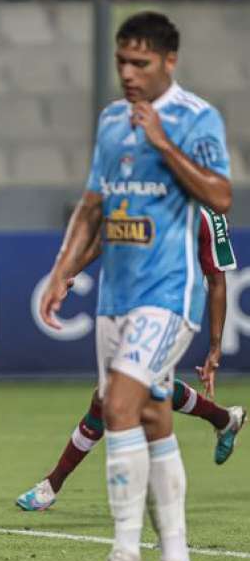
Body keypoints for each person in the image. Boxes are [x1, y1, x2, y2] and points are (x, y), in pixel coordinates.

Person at [38, 12, 233, 561]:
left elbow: (221, 194)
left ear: (168, 62)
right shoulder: (108, 122)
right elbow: (93, 205)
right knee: (151, 419)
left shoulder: (197, 118)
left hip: (169, 296)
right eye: (122, 61)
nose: (128, 73)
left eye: (140, 63)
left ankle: (125, 555)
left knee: (117, 405)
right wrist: (63, 270)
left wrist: (162, 143)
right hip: (115, 299)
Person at [19, 205, 242, 512]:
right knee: (139, 389)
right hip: (132, 306)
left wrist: (215, 346)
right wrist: (69, 273)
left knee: (114, 393)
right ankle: (224, 419)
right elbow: (104, 239)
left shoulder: (206, 211)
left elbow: (216, 281)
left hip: (175, 312)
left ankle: (52, 485)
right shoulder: (138, 190)